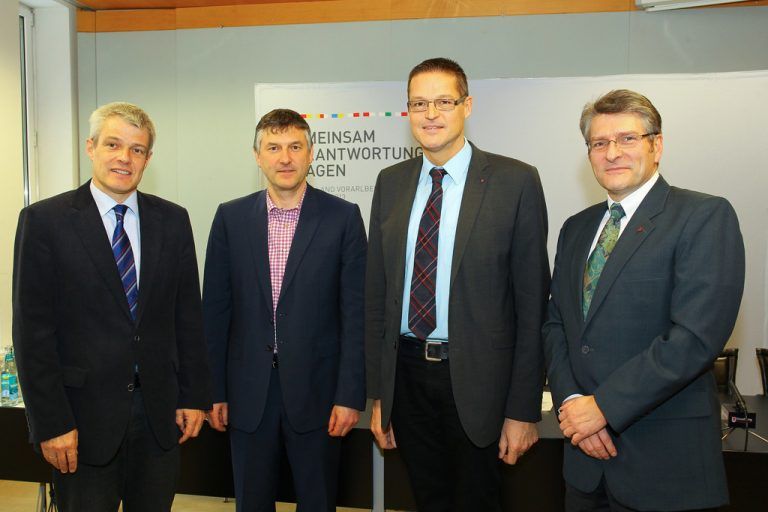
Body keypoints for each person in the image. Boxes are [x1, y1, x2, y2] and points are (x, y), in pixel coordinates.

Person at [543, 89, 745, 511]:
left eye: (627, 139)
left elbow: (693, 338)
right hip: (584, 466)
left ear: (657, 145)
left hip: (665, 466)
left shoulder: (703, 217)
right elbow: (556, 325)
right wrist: (572, 404)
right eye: (600, 143)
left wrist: (604, 408)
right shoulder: (575, 228)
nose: (612, 152)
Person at [365, 57, 550, 511]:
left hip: (480, 384)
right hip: (406, 378)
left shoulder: (515, 181)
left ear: (467, 105)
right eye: (419, 103)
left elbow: (533, 307)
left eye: (443, 101)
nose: (430, 114)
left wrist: (523, 409)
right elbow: (376, 297)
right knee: (427, 500)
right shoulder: (390, 183)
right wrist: (378, 395)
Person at [12, 102, 213, 511]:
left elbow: (187, 317)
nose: (125, 157)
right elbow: (32, 334)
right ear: (91, 147)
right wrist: (51, 423)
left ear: (148, 158)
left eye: (137, 149)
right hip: (80, 423)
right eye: (114, 144)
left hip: (158, 420)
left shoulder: (173, 221)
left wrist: (194, 395)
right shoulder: (45, 221)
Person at [202, 108, 367, 512]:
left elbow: (356, 314)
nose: (285, 157)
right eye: (273, 148)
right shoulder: (230, 217)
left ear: (311, 153)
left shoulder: (343, 218)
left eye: (295, 146)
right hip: (247, 394)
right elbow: (215, 313)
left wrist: (350, 396)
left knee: (318, 502)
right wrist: (214, 391)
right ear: (257, 156)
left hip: (319, 394)